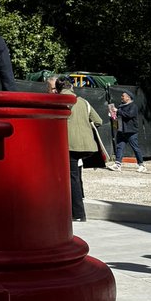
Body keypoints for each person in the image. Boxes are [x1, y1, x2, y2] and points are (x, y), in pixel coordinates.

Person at [55, 76, 102, 221]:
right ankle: (76, 211)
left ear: (57, 88)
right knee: (75, 176)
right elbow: (98, 121)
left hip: (69, 145)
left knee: (71, 178)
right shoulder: (84, 102)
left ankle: (78, 213)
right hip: (87, 146)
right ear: (72, 87)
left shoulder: (58, 101)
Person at [106, 91, 146, 172]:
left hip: (131, 131)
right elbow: (119, 116)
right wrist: (112, 115)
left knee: (135, 148)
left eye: (123, 96)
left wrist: (118, 111)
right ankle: (117, 165)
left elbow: (129, 115)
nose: (121, 97)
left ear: (128, 97)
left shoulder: (133, 106)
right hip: (121, 130)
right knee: (119, 147)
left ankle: (141, 165)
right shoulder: (121, 106)